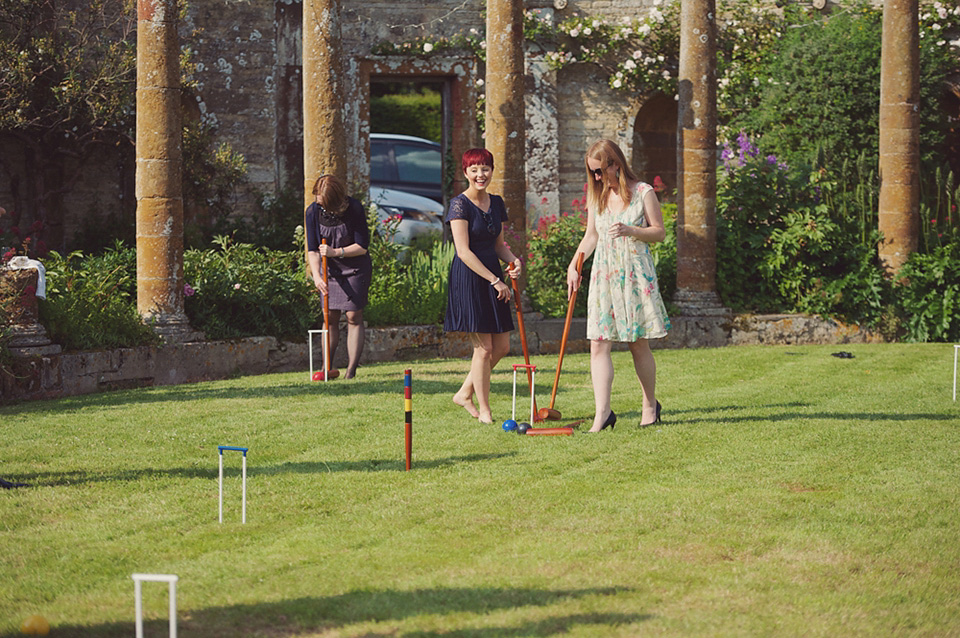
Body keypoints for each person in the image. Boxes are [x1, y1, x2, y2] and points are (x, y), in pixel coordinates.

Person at [566, 139, 670, 432]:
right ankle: (603, 413)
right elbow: (591, 237)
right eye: (593, 173)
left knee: (637, 343)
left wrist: (631, 230)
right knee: (598, 344)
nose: (597, 178)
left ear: (616, 164)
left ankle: (649, 405)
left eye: (600, 171)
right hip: (604, 275)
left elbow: (659, 233)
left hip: (634, 274)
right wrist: (575, 265)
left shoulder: (642, 192)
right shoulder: (597, 194)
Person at [444, 148, 522, 424]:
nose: (481, 174)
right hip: (470, 279)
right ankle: (485, 411)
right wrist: (495, 280)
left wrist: (513, 260)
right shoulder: (459, 205)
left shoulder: (496, 202)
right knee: (484, 349)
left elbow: (498, 245)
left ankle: (464, 392)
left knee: (501, 347)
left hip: (493, 275)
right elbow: (463, 252)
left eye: (485, 168)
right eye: (474, 169)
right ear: (465, 173)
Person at [305, 174, 373, 379]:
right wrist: (317, 276)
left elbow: (362, 247)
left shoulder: (354, 209)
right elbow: (313, 250)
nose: (319, 203)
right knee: (330, 317)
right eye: (318, 199)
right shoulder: (313, 212)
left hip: (355, 269)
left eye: (323, 201)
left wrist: (336, 252)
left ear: (335, 199)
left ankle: (351, 371)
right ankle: (327, 367)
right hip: (329, 272)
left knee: (353, 316)